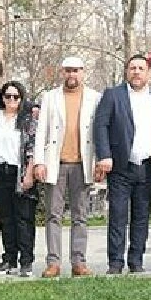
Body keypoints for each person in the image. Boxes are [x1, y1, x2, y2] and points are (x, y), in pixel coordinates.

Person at [95, 53, 151, 274]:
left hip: (148, 167)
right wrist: (104, 155)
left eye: (141, 68)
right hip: (120, 168)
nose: (136, 72)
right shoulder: (113, 95)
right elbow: (101, 126)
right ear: (127, 71)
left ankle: (136, 261)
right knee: (118, 216)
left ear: (149, 73)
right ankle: (115, 262)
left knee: (141, 217)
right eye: (132, 68)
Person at [34, 56, 101, 278]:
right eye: (68, 71)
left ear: (83, 72)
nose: (72, 75)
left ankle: (78, 262)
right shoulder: (50, 97)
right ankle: (53, 262)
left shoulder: (94, 98)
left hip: (82, 164)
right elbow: (41, 131)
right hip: (57, 163)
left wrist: (100, 160)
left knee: (80, 215)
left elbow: (99, 133)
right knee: (53, 215)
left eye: (76, 71)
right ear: (62, 73)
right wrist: (39, 162)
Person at [0, 80, 38, 277]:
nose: (11, 100)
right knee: (5, 219)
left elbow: (33, 148)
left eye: (15, 96)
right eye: (7, 96)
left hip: (21, 172)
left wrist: (30, 173)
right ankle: (9, 258)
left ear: (21, 98)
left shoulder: (28, 119)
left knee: (24, 219)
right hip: (0, 173)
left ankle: (26, 261)